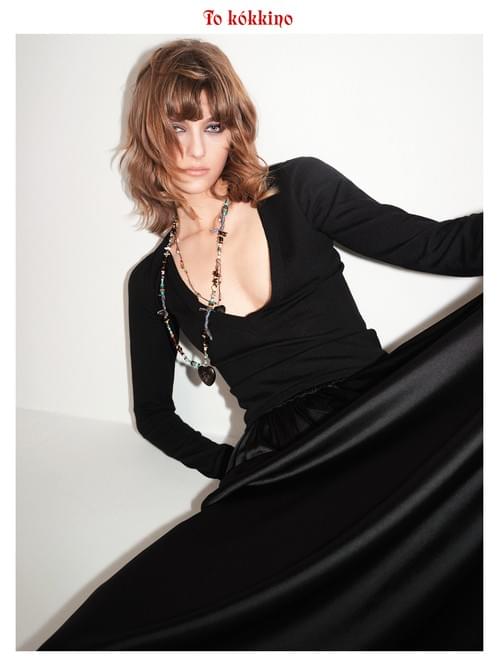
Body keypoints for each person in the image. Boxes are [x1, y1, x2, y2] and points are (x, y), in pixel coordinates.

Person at [38, 38, 483, 650]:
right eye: (176, 127)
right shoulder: (152, 283)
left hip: (375, 423)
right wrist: (235, 469)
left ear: (235, 128)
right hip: (283, 468)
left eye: (212, 126)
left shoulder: (299, 188)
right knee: (124, 628)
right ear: (147, 135)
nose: (195, 150)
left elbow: (442, 247)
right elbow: (154, 415)